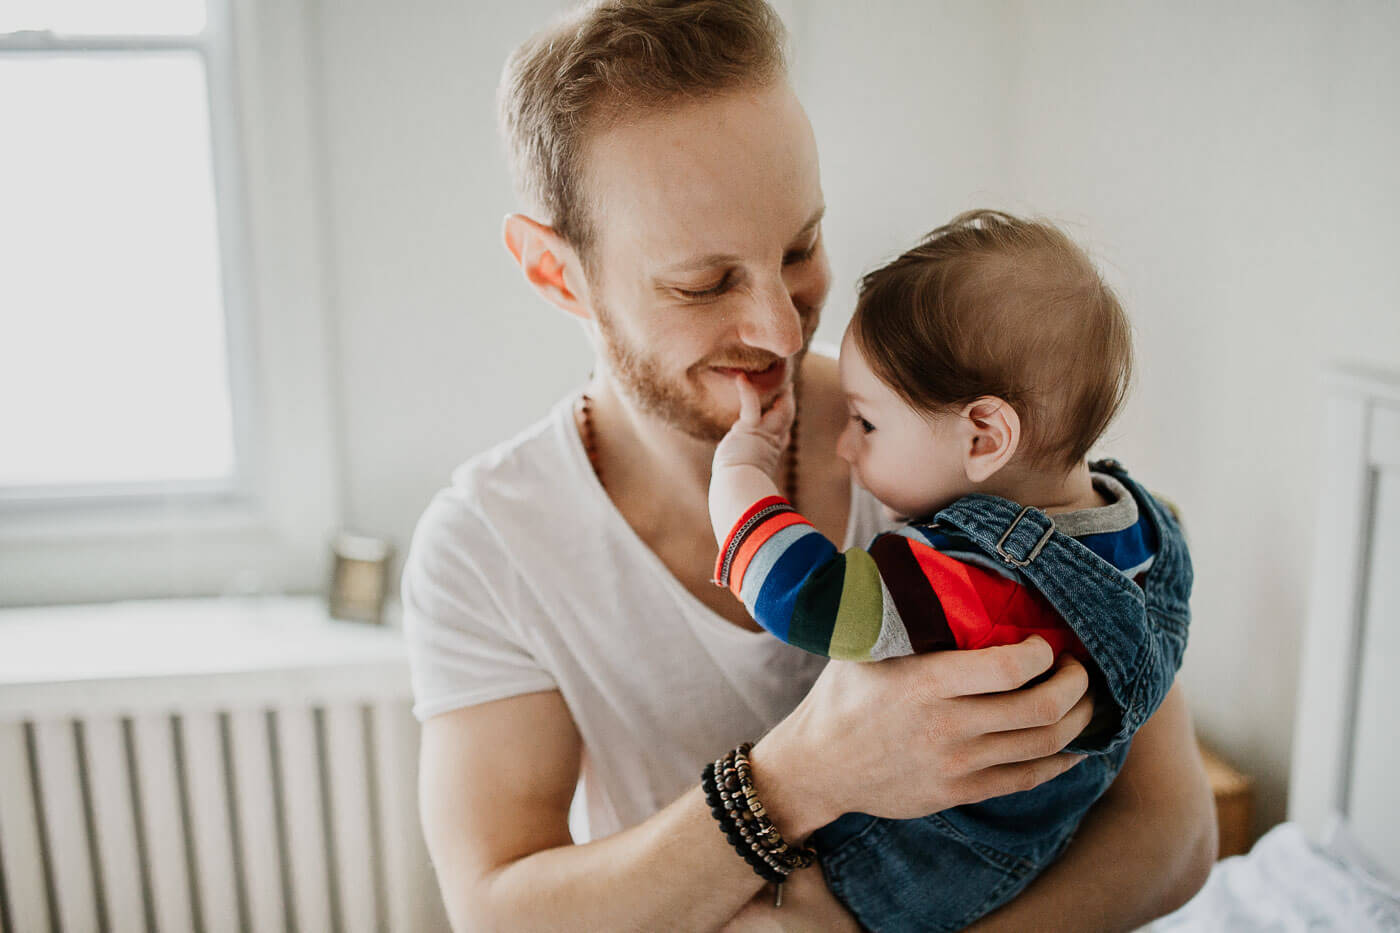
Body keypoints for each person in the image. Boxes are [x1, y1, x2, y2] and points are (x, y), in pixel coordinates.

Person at [403, 1, 1217, 929]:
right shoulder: (486, 545)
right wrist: (797, 778)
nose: (784, 331)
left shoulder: (947, 441)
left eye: (800, 248)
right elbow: (499, 912)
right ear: (558, 274)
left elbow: (1174, 828)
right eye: (703, 284)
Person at [707, 209, 1193, 930]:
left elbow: (802, 595)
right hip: (1038, 853)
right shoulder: (1148, 527)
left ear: (984, 436)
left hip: (904, 880)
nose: (845, 445)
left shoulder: (976, 583)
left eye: (867, 422)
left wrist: (741, 470)